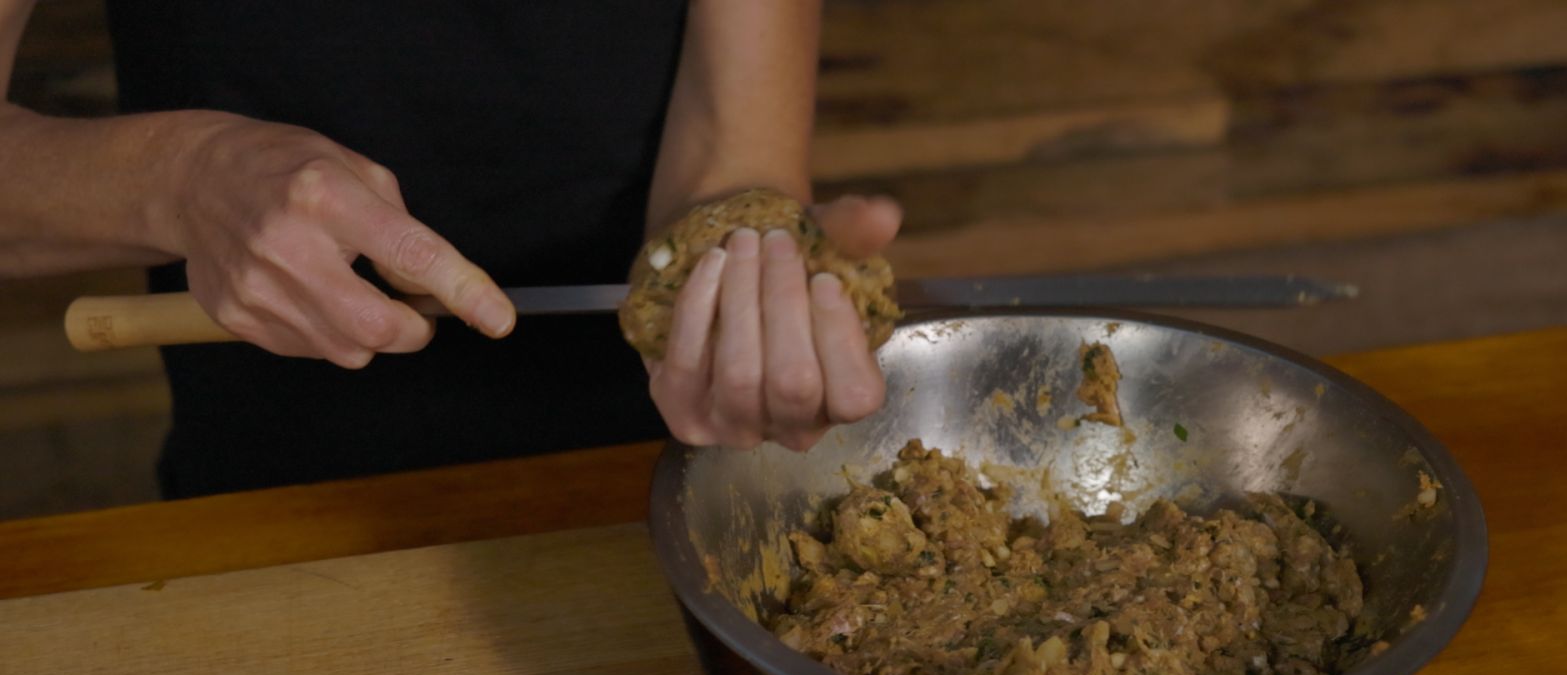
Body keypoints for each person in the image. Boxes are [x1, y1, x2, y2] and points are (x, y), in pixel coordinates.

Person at [0, 0, 899, 498]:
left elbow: (733, 144)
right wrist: (180, 177)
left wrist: (744, 250)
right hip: (282, 490)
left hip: (648, 479)